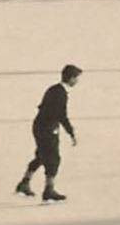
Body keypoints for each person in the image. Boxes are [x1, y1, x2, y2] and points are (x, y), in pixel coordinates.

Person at [15, 64, 81, 202]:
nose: (77, 81)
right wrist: (71, 132)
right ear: (71, 78)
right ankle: (49, 190)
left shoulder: (53, 89)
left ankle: (24, 183)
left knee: (41, 155)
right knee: (54, 159)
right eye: (76, 78)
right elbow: (61, 115)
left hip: (39, 125)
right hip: (48, 128)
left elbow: (43, 107)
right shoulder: (61, 93)